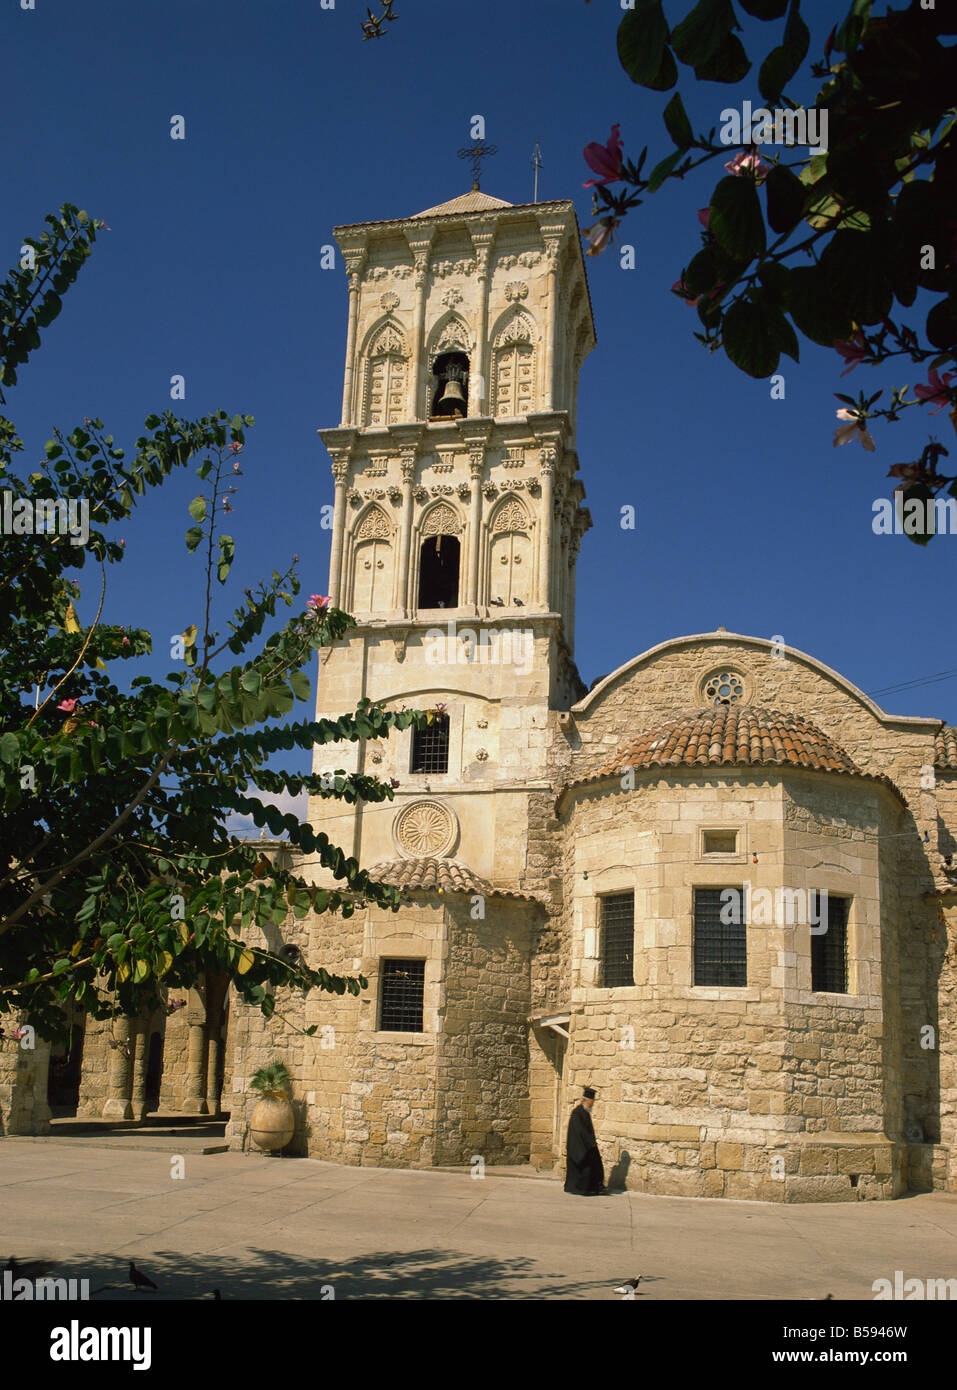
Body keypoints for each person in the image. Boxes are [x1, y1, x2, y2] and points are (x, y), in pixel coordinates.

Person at [564, 1086, 605, 1195]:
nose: (592, 1104)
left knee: (596, 1162)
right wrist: (590, 1143)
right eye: (592, 1102)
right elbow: (580, 1131)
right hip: (578, 1147)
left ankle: (595, 1187)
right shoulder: (577, 1113)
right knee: (585, 1166)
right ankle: (580, 1188)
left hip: (585, 1145)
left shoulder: (585, 1113)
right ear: (586, 1100)